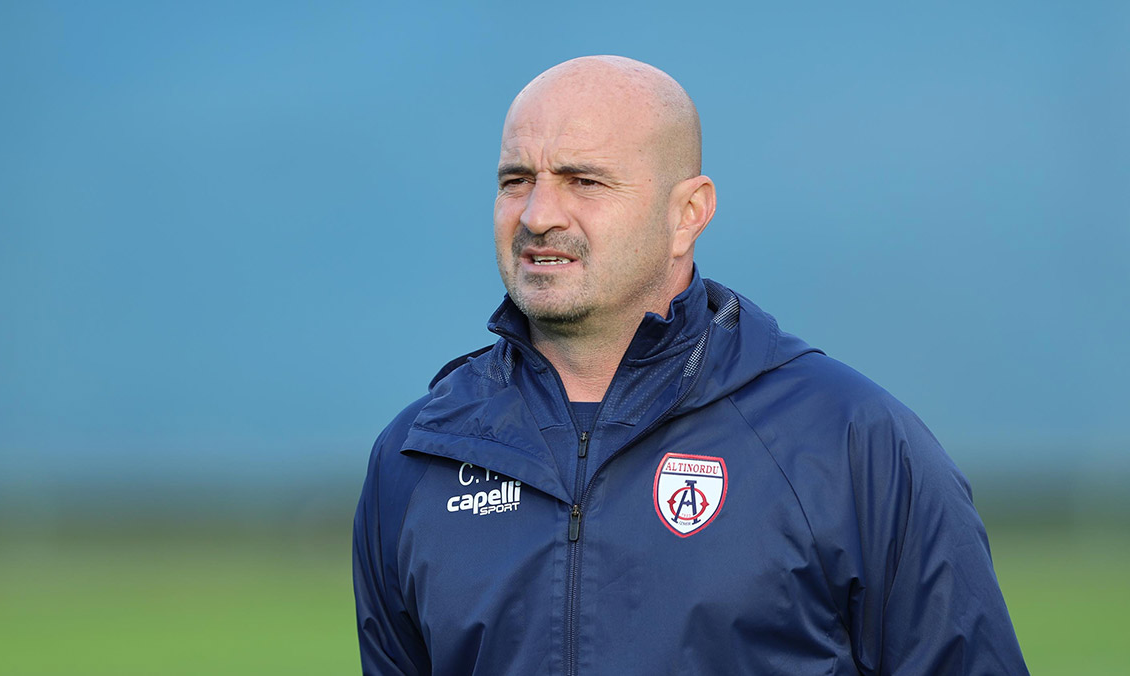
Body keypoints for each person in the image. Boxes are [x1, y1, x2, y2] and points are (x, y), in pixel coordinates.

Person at [353, 55, 1027, 675]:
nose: (538, 214)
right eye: (516, 180)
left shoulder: (849, 442)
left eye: (584, 181)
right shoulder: (419, 457)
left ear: (688, 214)